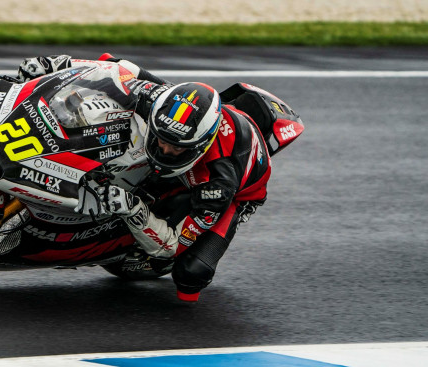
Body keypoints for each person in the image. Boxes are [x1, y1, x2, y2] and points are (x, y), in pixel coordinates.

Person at [17, 54, 297, 302]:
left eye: (175, 147)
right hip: (196, 156)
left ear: (200, 146)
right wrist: (52, 64)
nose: (164, 149)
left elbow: (173, 244)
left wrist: (130, 207)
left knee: (191, 273)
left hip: (235, 193)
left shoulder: (218, 184)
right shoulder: (158, 97)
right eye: (161, 139)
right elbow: (111, 68)